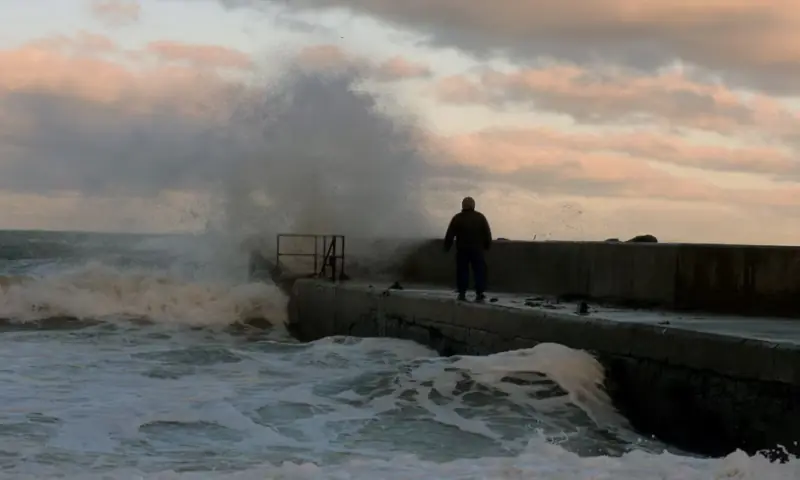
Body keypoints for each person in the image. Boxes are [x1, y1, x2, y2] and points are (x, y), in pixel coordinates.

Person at [443, 196, 492, 302]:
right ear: (473, 205)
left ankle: (462, 293)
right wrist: (487, 245)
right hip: (477, 250)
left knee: (462, 271)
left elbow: (450, 235)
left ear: (463, 206)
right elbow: (487, 233)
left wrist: (446, 247)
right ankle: (479, 293)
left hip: (462, 250)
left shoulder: (457, 218)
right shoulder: (480, 217)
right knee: (479, 271)